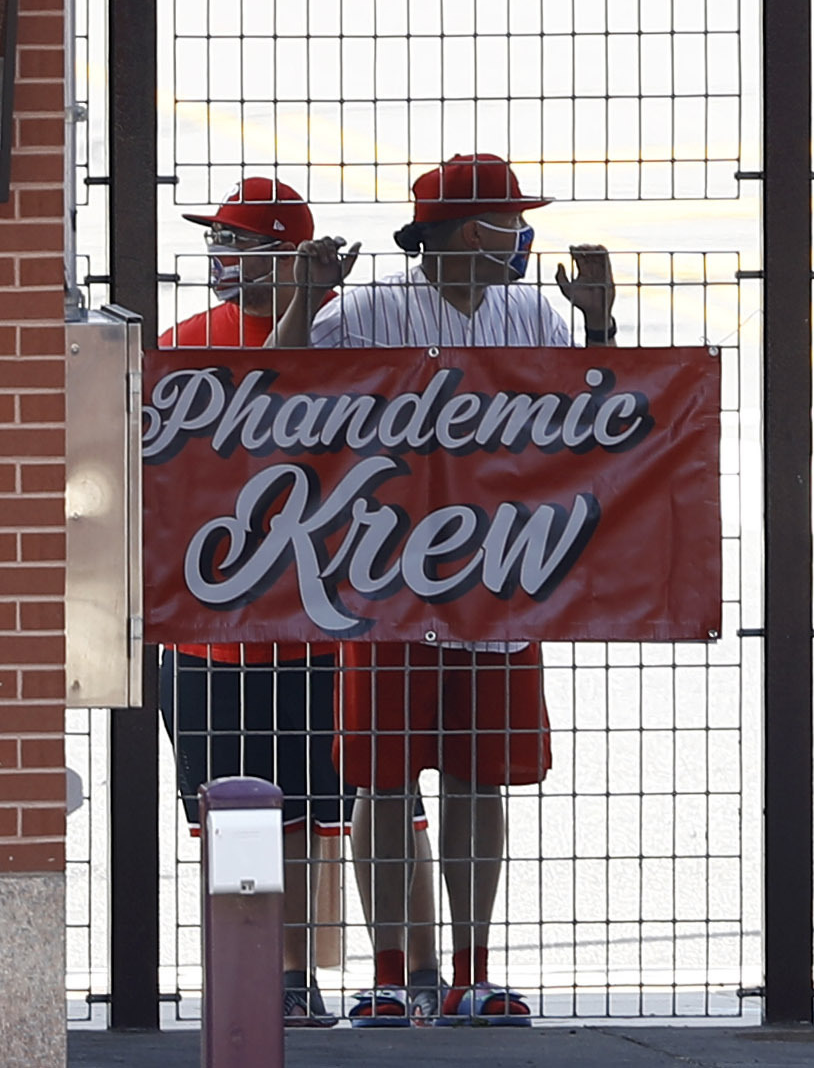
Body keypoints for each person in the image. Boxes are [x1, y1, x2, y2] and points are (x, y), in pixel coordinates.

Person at [271, 152, 616, 1028]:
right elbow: (267, 388)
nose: (523, 238)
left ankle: (471, 966)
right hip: (389, 577)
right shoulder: (373, 309)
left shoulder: (532, 311)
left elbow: (600, 420)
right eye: (511, 222)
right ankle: (388, 970)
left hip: (499, 580)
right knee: (381, 783)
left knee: (479, 778)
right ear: (471, 232)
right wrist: (304, 304)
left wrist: (601, 326)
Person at [156, 177, 342, 1027]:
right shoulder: (183, 340)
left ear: (286, 256)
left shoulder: (350, 333)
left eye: (237, 244)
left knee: (313, 821)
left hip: (321, 625)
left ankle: (302, 973)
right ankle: (248, 976)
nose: (219, 259)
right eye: (216, 243)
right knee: (229, 821)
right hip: (212, 631)